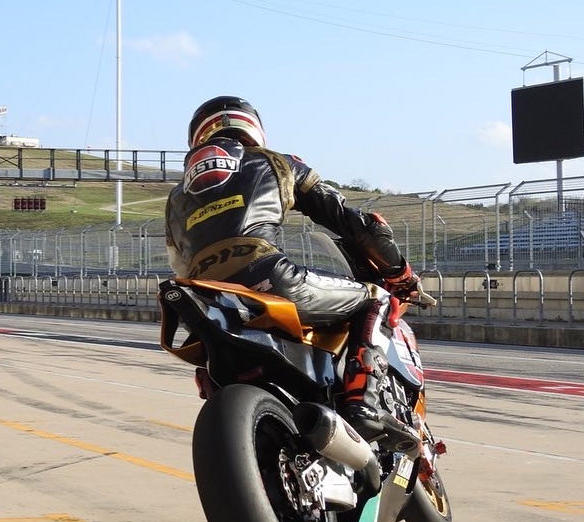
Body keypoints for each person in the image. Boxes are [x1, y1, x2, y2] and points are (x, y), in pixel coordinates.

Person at [164, 95, 424, 445]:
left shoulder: (176, 199)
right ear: (252, 127)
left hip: (208, 300)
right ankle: (365, 402)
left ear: (198, 137)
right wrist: (400, 274)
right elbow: (353, 222)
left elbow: (179, 264)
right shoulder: (275, 162)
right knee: (375, 298)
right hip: (268, 276)